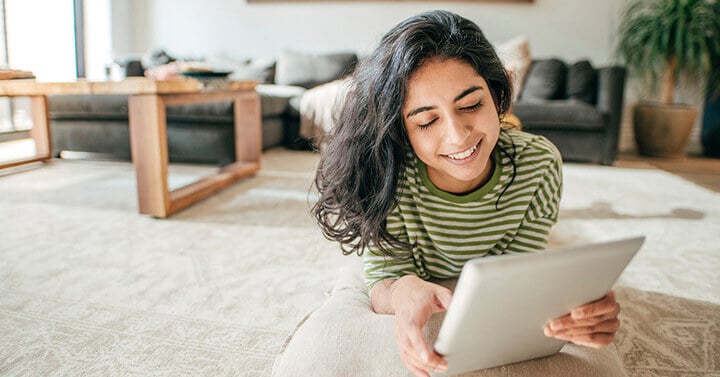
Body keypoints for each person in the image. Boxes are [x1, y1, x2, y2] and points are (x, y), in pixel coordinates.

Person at [312, 10, 621, 377]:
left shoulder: (538, 165)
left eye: (472, 104)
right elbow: (386, 279)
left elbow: (518, 274)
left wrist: (572, 305)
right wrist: (403, 289)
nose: (458, 137)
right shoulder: (386, 174)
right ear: (400, 128)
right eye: (427, 121)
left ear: (497, 95)